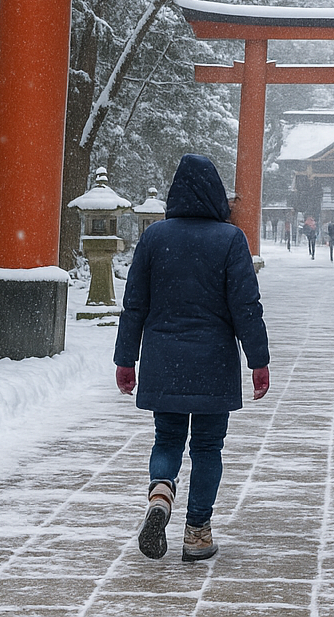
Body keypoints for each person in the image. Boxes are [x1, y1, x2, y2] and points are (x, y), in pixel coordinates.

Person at [115, 154, 271, 563]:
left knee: (166, 438)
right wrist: (259, 360)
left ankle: (161, 491)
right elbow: (246, 306)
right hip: (213, 360)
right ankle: (197, 531)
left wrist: (125, 358)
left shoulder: (154, 238)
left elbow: (135, 304)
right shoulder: (230, 239)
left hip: (163, 358)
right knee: (207, 447)